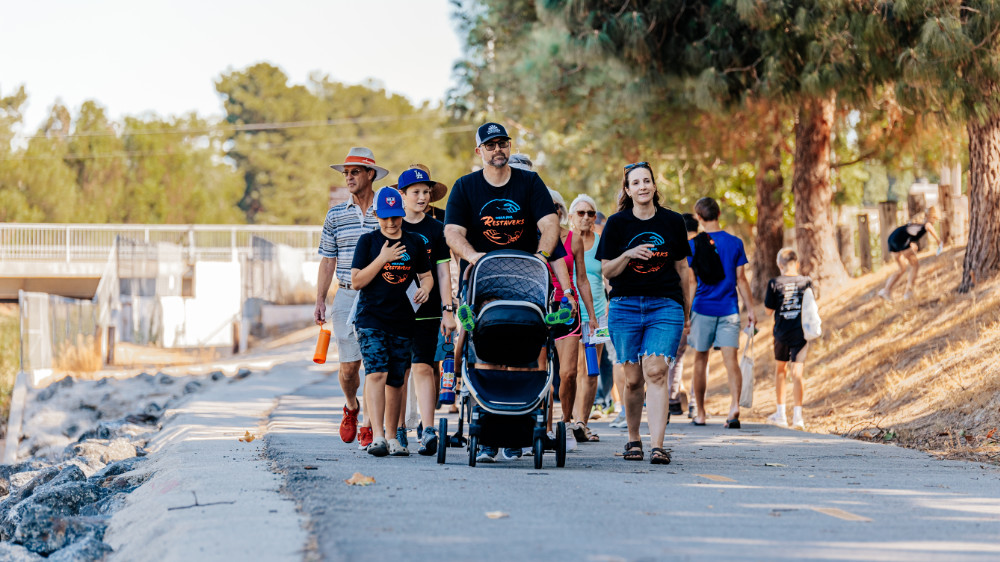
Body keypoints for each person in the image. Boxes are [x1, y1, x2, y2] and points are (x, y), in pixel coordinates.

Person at [444, 123, 574, 463]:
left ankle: (519, 429)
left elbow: (550, 226)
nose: (497, 149)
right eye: (490, 145)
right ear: (480, 152)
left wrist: (540, 258)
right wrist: (474, 257)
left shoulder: (529, 183)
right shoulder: (465, 187)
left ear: (509, 146)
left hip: (527, 282)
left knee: (527, 344)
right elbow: (453, 233)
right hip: (484, 283)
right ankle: (486, 431)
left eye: (502, 143)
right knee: (485, 342)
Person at [596, 161, 694, 465]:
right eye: (635, 183)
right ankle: (633, 439)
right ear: (627, 190)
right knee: (633, 379)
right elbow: (607, 271)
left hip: (665, 304)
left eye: (646, 181)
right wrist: (628, 253)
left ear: (654, 186)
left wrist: (687, 312)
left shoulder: (673, 222)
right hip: (625, 305)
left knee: (656, 371)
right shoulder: (616, 224)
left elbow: (682, 270)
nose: (642, 186)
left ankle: (658, 445)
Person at [351, 187, 433, 456]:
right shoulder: (368, 242)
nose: (391, 222)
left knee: (396, 380)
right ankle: (377, 438)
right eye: (385, 217)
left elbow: (427, 275)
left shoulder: (414, 243)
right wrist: (382, 258)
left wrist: (426, 289)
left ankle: (393, 437)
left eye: (395, 216)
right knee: (376, 373)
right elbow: (356, 281)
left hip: (402, 320)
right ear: (376, 215)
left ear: (401, 214)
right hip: (371, 318)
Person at [315, 147, 387, 449]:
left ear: (370, 174)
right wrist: (320, 298)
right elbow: (327, 260)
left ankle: (370, 424)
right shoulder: (335, 215)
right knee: (348, 368)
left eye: (354, 172)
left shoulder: (387, 209)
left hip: (380, 295)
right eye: (346, 173)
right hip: (346, 295)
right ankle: (351, 407)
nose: (349, 178)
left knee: (375, 364)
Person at [396, 166, 457, 456]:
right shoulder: (392, 226)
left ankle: (428, 428)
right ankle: (396, 428)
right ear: (402, 195)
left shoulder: (436, 229)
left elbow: (443, 273)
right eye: (416, 192)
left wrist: (448, 309)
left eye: (425, 192)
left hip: (430, 309)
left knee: (422, 366)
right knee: (398, 370)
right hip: (395, 310)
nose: (422, 197)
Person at [688, 197, 756, 429]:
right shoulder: (735, 243)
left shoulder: (693, 245)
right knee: (731, 361)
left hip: (702, 308)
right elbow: (741, 280)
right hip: (729, 309)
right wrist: (751, 310)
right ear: (718, 215)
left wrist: (687, 313)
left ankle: (701, 412)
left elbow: (691, 283)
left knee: (700, 359)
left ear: (699, 217)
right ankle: (734, 407)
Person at [546, 189, 598, 445]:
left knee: (567, 373)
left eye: (557, 206)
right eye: (548, 206)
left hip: (568, 309)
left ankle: (565, 423)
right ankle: (543, 428)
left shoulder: (574, 240)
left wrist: (592, 315)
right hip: (539, 308)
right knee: (541, 372)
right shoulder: (531, 237)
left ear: (562, 210)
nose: (553, 210)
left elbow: (583, 279)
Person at [567, 194, 605, 441]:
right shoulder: (565, 242)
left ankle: (583, 423)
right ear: (571, 217)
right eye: (580, 213)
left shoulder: (602, 242)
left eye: (590, 213)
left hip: (598, 314)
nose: (586, 217)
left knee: (591, 370)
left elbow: (609, 277)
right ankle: (567, 421)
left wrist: (609, 309)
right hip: (570, 313)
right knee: (570, 370)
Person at [764, 248, 813, 430]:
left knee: (780, 371)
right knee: (797, 374)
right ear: (797, 263)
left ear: (779, 264)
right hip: (800, 333)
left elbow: (769, 311)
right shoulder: (806, 281)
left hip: (781, 332)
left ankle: (781, 414)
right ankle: (798, 417)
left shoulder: (774, 283)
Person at [669, 213, 699, 419]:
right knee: (700, 357)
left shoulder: (684, 247)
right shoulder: (706, 244)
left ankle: (673, 399)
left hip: (687, 307)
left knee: (677, 356)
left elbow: (691, 281)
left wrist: (686, 310)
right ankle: (696, 403)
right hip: (709, 307)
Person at [878, 208, 942, 301]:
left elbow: (908, 233)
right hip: (901, 241)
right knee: (915, 266)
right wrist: (938, 240)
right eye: (935, 219)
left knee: (902, 268)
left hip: (892, 239)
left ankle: (886, 291)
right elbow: (928, 226)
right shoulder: (926, 223)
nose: (935, 221)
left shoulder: (916, 222)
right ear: (932, 217)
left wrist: (911, 243)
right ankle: (908, 292)